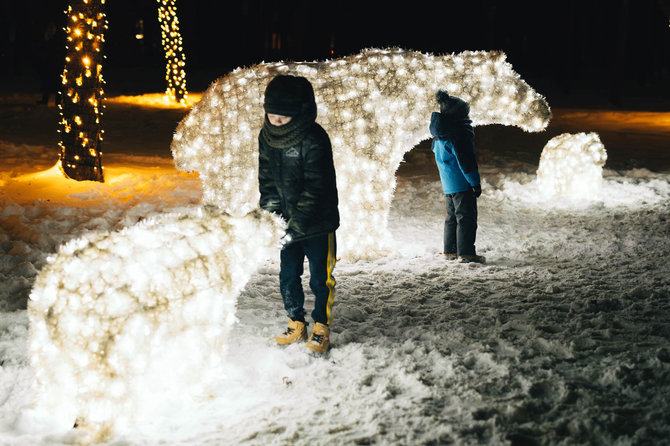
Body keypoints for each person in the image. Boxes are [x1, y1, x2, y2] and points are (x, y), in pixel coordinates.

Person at [258, 74, 340, 354]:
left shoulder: (314, 138)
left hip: (318, 223)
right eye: (272, 114)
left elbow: (318, 187)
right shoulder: (267, 136)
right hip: (286, 223)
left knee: (321, 278)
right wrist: (271, 218)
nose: (276, 120)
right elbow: (266, 180)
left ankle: (321, 327)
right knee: (288, 275)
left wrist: (297, 224)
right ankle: (296, 322)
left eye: (284, 115)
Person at [429, 90, 485, 263]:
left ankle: (450, 251)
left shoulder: (439, 136)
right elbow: (466, 162)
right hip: (462, 184)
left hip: (449, 185)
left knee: (452, 218)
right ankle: (466, 253)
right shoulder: (459, 135)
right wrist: (474, 183)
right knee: (466, 218)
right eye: (466, 112)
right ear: (459, 115)